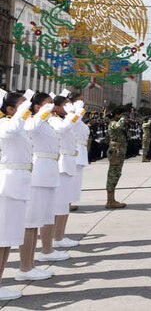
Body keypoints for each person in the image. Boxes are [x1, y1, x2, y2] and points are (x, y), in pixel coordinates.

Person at [22, 91, 66, 272]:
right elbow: (30, 129)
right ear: (38, 106)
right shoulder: (34, 122)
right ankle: (26, 267)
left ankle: (41, 255)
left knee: (43, 217)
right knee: (30, 221)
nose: (53, 107)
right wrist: (41, 113)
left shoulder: (46, 123)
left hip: (48, 172)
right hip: (38, 174)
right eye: (48, 104)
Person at [1, 90, 39, 293]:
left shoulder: (20, 126)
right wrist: (22, 111)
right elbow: (11, 129)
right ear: (10, 109)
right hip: (8, 184)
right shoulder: (5, 124)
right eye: (23, 105)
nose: (29, 109)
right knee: (2, 237)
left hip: (19, 182)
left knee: (7, 237)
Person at [47, 94, 79, 251]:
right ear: (56, 107)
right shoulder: (53, 120)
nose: (68, 108)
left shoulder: (63, 119)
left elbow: (74, 128)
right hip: (61, 164)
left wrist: (74, 115)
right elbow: (62, 129)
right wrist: (72, 114)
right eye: (65, 105)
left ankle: (60, 235)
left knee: (65, 202)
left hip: (68, 162)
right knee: (60, 203)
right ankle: (57, 237)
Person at [105, 104, 131, 209]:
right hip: (116, 152)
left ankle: (112, 199)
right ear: (117, 115)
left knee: (117, 174)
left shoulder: (117, 122)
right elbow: (118, 126)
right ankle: (110, 201)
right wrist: (123, 117)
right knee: (113, 175)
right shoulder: (113, 123)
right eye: (122, 114)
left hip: (119, 151)